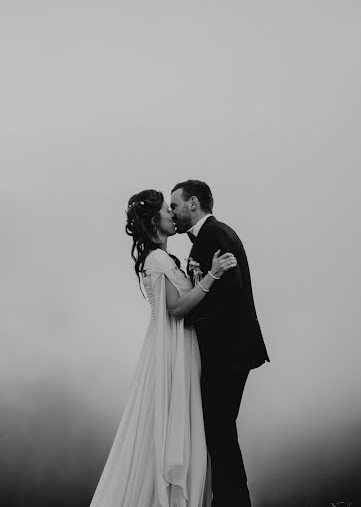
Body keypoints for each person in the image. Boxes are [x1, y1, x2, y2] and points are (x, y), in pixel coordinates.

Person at [89, 189, 238, 507]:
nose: (173, 214)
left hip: (174, 348)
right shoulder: (157, 259)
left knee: (168, 430)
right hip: (171, 354)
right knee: (170, 428)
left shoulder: (161, 257)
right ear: (155, 220)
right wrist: (213, 275)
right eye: (167, 210)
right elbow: (177, 307)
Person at [169, 180, 269, 507]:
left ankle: (233, 501)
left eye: (175, 205)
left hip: (228, 353)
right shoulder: (212, 235)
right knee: (219, 429)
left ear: (193, 202)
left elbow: (230, 290)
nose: (172, 212)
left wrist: (193, 321)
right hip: (230, 352)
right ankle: (229, 499)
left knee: (219, 430)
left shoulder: (215, 235)